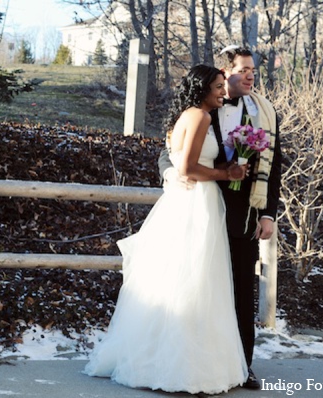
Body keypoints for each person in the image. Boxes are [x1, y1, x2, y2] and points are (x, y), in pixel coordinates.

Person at [84, 64, 249, 395]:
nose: (222, 92)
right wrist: (227, 174)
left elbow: (179, 163)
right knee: (197, 279)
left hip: (181, 202)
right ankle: (187, 368)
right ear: (202, 89)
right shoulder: (201, 117)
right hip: (196, 203)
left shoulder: (185, 115)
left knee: (177, 277)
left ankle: (157, 358)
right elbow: (187, 168)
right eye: (217, 87)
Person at [158, 46, 282, 390]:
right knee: (201, 289)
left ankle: (242, 366)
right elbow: (170, 153)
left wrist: (269, 213)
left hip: (244, 219)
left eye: (253, 70)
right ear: (224, 73)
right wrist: (173, 176)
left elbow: (275, 170)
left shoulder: (265, 114)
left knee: (242, 294)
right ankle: (194, 363)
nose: (250, 75)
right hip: (201, 212)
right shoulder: (200, 109)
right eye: (243, 69)